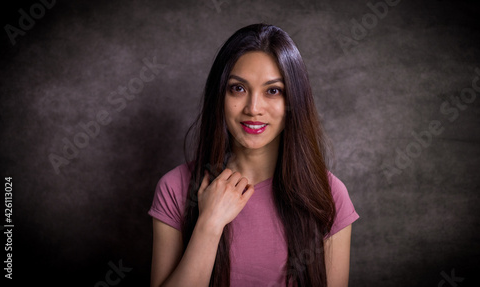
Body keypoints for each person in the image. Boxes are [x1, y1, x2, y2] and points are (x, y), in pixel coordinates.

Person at [148, 23, 359, 287]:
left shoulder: (329, 195)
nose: (253, 108)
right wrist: (209, 225)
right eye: (238, 88)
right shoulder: (174, 188)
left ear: (293, 101)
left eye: (273, 90)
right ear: (220, 96)